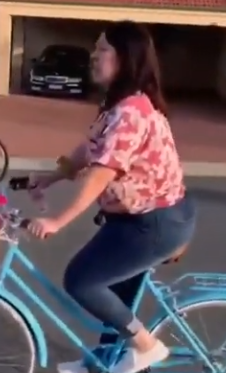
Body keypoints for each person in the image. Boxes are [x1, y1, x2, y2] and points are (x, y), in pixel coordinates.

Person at [25, 20, 196, 373]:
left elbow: (101, 173)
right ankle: (102, 364)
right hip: (140, 221)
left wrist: (57, 220)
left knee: (82, 280)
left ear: (125, 59)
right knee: (113, 298)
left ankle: (147, 347)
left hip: (153, 224)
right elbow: (89, 151)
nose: (93, 56)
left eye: (102, 49)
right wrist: (50, 178)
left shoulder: (131, 112)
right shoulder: (119, 106)